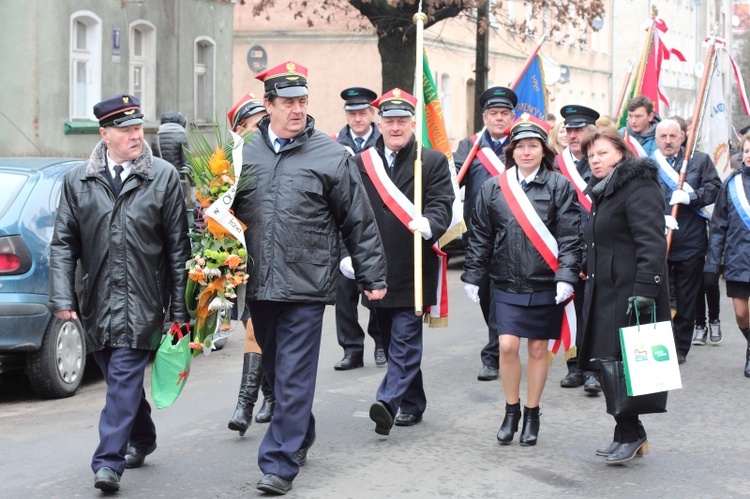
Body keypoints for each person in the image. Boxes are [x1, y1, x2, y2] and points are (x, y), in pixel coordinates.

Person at [232, 61, 387, 496]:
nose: (297, 110)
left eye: (302, 102)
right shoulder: (243, 152)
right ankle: (301, 429)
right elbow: (222, 214)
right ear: (268, 107)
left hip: (307, 282)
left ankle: (279, 464)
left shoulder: (332, 155)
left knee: (296, 373)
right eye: (288, 103)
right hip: (259, 282)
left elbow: (359, 221)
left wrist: (372, 274)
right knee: (278, 373)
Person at [49, 94, 191, 491]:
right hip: (97, 302)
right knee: (120, 382)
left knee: (125, 376)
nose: (135, 135)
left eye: (138, 127)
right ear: (104, 134)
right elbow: (64, 244)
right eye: (126, 129)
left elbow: (179, 250)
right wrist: (63, 298)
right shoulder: (78, 179)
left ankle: (107, 462)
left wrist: (178, 311)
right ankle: (142, 436)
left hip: (145, 300)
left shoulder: (162, 176)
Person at [462, 113, 582, 446]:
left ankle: (532, 412)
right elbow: (481, 235)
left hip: (546, 282)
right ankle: (511, 409)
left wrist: (566, 277)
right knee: (507, 345)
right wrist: (473, 274)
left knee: (539, 349)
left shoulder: (559, 186)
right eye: (520, 147)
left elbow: (571, 236)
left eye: (533, 146)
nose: (526, 152)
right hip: (506, 281)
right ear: (511, 151)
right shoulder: (493, 187)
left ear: (544, 150)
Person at [355, 88, 454, 436]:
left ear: (413, 124)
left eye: (402, 121)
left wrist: (431, 223)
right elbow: (349, 211)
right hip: (375, 268)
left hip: (413, 265)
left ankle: (388, 401)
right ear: (378, 123)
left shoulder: (431, 161)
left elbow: (443, 201)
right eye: (389, 121)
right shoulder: (362, 162)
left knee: (405, 337)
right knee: (388, 336)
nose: (396, 127)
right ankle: (413, 401)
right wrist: (348, 255)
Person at [577, 127, 670, 464]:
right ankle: (627, 431)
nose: (596, 160)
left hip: (631, 294)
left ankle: (631, 433)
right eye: (590, 156)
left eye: (602, 153)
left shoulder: (639, 187)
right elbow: (602, 238)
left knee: (625, 364)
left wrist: (647, 288)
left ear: (620, 153)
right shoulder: (604, 191)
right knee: (610, 363)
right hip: (605, 291)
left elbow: (651, 242)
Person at [453, 86, 518, 382]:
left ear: (512, 116)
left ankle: (494, 354)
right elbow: (454, 181)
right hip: (479, 234)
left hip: (517, 232)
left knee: (506, 293)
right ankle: (500, 343)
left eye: (505, 113)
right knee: (486, 293)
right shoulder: (470, 146)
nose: (500, 118)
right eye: (494, 113)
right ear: (485, 117)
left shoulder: (522, 143)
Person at [225, 92, 275, 435]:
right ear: (240, 129)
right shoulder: (228, 166)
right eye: (256, 125)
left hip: (272, 256)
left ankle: (245, 404)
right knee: (256, 330)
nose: (262, 131)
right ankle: (269, 394)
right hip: (241, 259)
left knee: (258, 330)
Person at [653, 119, 721, 362]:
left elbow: (715, 188)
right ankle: (660, 342)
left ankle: (680, 347)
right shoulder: (648, 164)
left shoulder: (699, 161)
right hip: (657, 240)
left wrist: (692, 196)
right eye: (664, 136)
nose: (668, 141)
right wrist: (655, 216)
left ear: (682, 137)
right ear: (656, 138)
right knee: (657, 295)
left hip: (690, 241)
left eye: (673, 136)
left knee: (686, 297)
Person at [332, 86, 385, 370]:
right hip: (343, 228)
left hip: (375, 226)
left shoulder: (382, 143)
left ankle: (380, 343)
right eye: (352, 113)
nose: (357, 118)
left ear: (372, 114)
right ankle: (351, 349)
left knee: (375, 290)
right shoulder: (334, 143)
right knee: (344, 294)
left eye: (362, 112)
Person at [555, 104, 602, 394]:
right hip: (567, 248)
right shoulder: (556, 164)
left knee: (595, 310)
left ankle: (594, 369)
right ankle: (575, 366)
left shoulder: (604, 162)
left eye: (579, 129)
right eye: (569, 129)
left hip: (598, 248)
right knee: (570, 310)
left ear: (592, 132)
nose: (574, 135)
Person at [705, 141, 750, 377]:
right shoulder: (732, 184)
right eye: (747, 151)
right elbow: (719, 226)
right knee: (742, 315)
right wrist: (713, 261)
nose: (749, 155)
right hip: (738, 258)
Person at [150, 110, 195, 210]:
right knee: (178, 210)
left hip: (161, 181)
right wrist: (193, 186)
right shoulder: (181, 137)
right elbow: (187, 164)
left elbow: (152, 164)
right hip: (179, 181)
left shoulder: (156, 138)